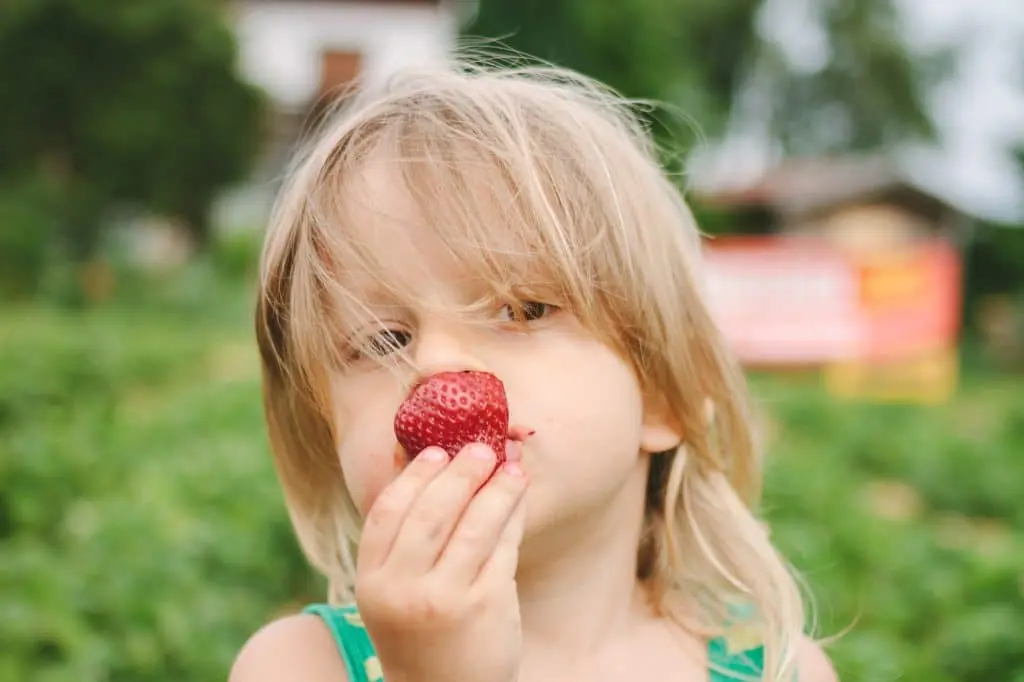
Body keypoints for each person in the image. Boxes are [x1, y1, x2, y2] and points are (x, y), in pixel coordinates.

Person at [230, 55, 840, 682]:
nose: (437, 365)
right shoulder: (298, 666)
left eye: (522, 309)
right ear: (325, 424)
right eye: (383, 339)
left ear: (661, 394)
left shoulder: (783, 671)